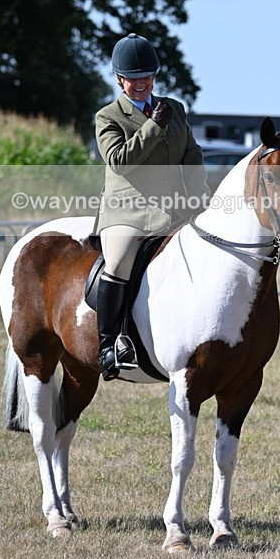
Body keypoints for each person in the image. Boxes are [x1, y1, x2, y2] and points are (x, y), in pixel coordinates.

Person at [94, 32, 210, 382]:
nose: (141, 82)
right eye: (133, 77)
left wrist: (198, 198)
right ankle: (109, 345)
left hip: (174, 209)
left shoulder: (174, 108)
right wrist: (153, 125)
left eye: (147, 75)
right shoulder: (108, 116)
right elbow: (119, 160)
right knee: (119, 262)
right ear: (119, 79)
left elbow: (191, 155)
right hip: (126, 211)